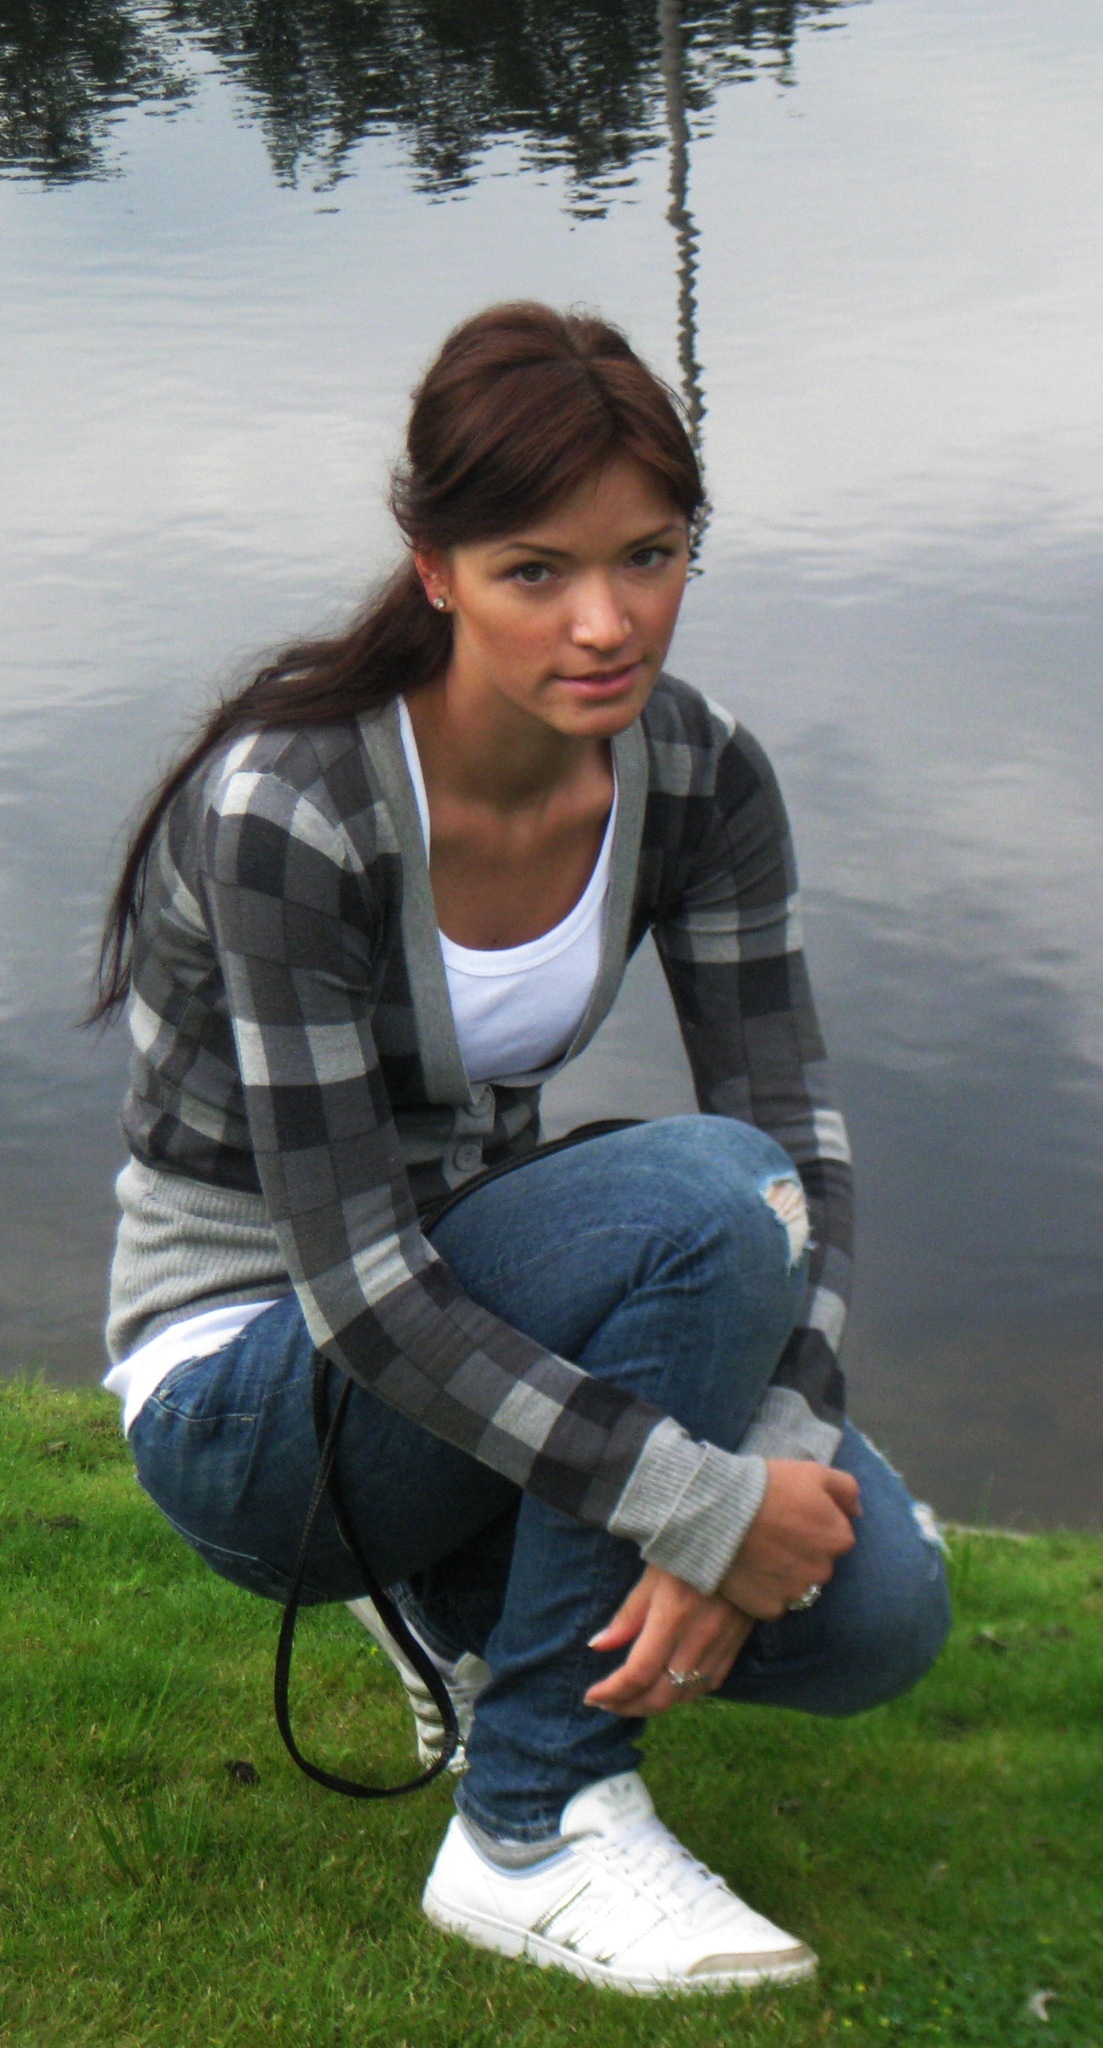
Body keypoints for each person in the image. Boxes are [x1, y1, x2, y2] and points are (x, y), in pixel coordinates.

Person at [94, 301, 949, 1996]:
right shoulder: (295, 808)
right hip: (256, 1386)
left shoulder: (698, 777)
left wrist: (779, 1447)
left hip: (474, 1315)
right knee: (707, 1203)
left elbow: (807, 1138)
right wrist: (700, 1505)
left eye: (650, 557)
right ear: (436, 569)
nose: (606, 622)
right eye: (536, 571)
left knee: (880, 1607)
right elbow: (360, 1290)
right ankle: (535, 1823)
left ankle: (452, 1609)